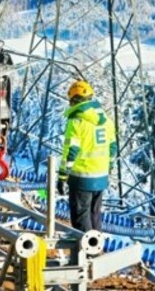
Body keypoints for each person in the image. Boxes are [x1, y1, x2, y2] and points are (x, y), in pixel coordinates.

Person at [57, 80, 116, 232]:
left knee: (81, 219)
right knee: (94, 215)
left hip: (81, 177)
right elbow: (113, 148)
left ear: (73, 100)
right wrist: (109, 168)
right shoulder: (106, 120)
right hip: (101, 176)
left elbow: (71, 152)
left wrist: (62, 177)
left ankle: (86, 252)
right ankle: (96, 249)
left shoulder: (76, 121)